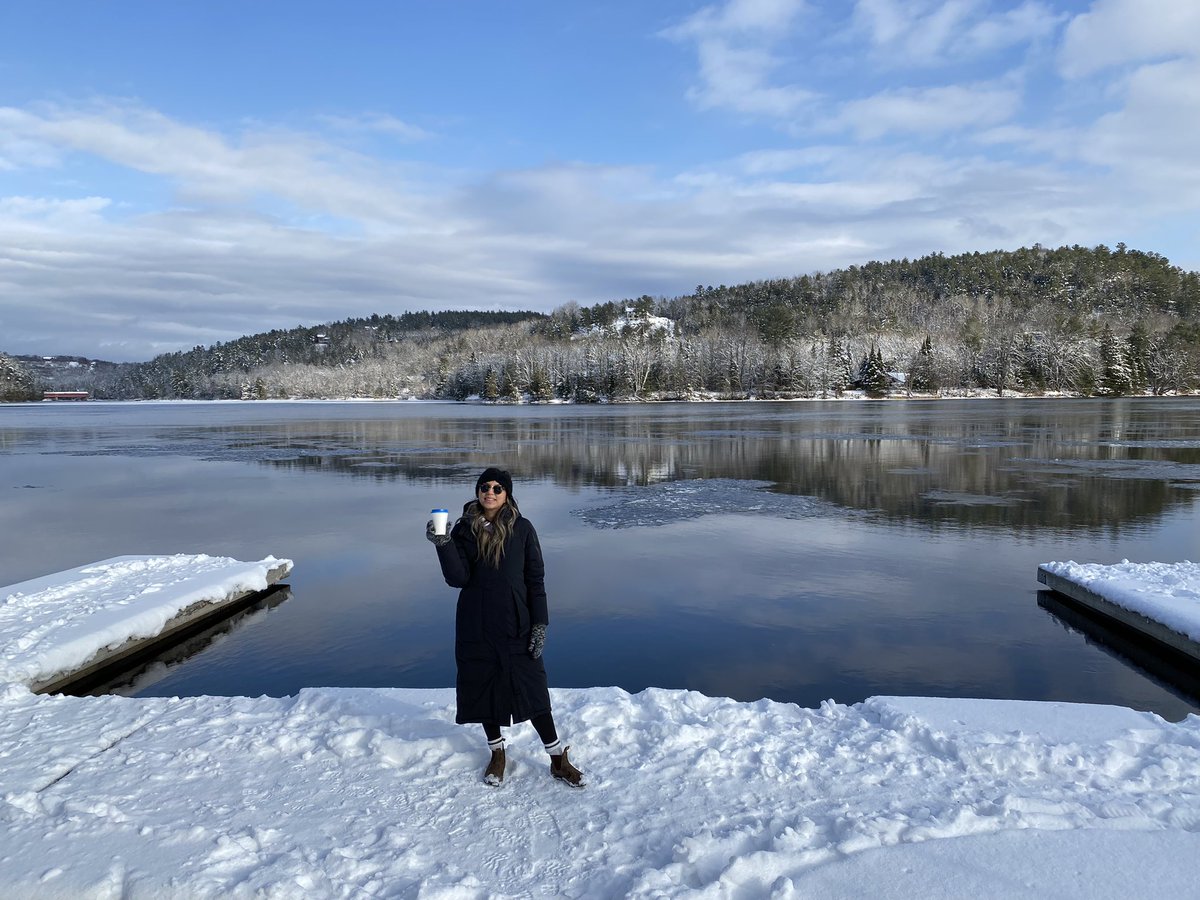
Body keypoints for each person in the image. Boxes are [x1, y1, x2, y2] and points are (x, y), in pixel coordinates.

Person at [427, 467, 584, 788]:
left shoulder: (523, 529)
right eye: (484, 486)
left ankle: (556, 759)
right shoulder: (463, 529)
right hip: (476, 623)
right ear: (478, 491)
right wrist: (442, 543)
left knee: (533, 689)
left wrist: (540, 623)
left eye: (498, 488)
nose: (490, 492)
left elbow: (535, 580)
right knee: (483, 686)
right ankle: (497, 754)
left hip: (517, 622)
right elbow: (458, 579)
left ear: (507, 494)